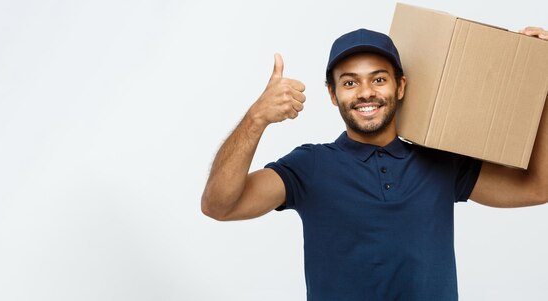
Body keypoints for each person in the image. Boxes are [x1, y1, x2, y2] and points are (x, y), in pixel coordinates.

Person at [201, 27, 548, 300]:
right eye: (350, 82)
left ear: (400, 86)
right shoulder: (310, 165)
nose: (366, 92)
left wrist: (543, 77)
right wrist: (256, 118)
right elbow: (219, 205)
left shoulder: (441, 162)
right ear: (333, 95)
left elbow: (537, 187)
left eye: (378, 79)